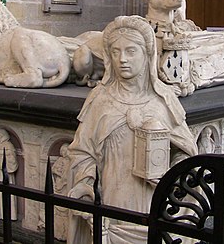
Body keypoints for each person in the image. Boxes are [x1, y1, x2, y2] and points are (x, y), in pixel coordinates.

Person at [67, 15, 198, 243]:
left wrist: (171, 176)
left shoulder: (162, 100)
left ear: (147, 55)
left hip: (155, 203)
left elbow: (186, 151)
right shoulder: (100, 100)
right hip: (114, 206)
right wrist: (85, 185)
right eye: (115, 52)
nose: (122, 60)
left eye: (130, 51)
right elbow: (82, 152)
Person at [0, 128, 19, 220]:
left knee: (6, 192)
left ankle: (10, 214)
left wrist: (0, 160)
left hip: (4, 173)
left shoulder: (9, 146)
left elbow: (12, 161)